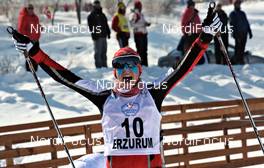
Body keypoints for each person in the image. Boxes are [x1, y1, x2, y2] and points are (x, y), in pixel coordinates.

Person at [12, 7, 222, 168]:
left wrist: (204, 37)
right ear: (114, 73)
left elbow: (184, 66)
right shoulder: (104, 96)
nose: (126, 70)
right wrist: (34, 52)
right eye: (120, 67)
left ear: (139, 70)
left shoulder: (153, 93)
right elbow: (66, 78)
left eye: (132, 65)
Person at [17, 4, 41, 72]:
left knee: (36, 55)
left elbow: (36, 26)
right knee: (30, 55)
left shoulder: (35, 17)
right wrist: (28, 37)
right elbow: (21, 29)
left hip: (36, 40)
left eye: (32, 8)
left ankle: (35, 70)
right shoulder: (24, 17)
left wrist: (39, 28)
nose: (31, 10)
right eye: (29, 8)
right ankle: (29, 71)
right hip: (29, 40)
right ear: (27, 9)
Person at [88, 0, 111, 68]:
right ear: (94, 5)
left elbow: (106, 25)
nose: (97, 5)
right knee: (98, 52)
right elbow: (91, 27)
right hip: (97, 37)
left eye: (98, 4)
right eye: (96, 4)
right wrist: (94, 35)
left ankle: (104, 66)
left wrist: (108, 32)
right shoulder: (91, 15)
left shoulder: (102, 15)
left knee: (104, 51)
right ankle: (98, 67)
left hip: (104, 36)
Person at [229, 0, 252, 65]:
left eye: (239, 4)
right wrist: (234, 34)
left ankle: (241, 60)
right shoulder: (232, 14)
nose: (238, 5)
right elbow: (231, 25)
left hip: (244, 34)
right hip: (238, 34)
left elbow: (246, 23)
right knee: (238, 48)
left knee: (242, 48)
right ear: (234, 5)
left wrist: (249, 32)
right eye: (237, 4)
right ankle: (235, 62)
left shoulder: (243, 13)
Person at [130, 1, 151, 66]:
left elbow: (143, 22)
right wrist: (143, 24)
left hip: (144, 34)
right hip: (138, 35)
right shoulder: (134, 14)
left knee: (144, 50)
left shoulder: (141, 14)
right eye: (139, 6)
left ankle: (145, 65)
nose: (140, 7)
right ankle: (140, 65)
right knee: (140, 51)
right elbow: (132, 24)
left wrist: (146, 23)